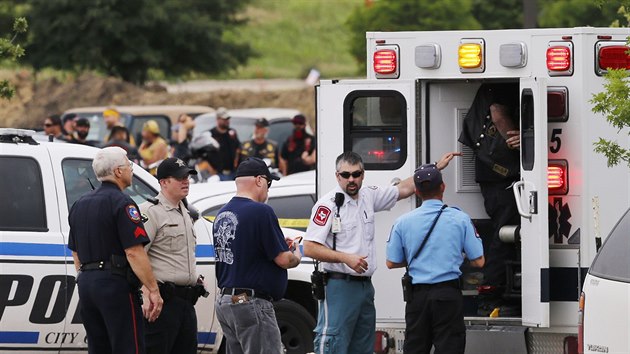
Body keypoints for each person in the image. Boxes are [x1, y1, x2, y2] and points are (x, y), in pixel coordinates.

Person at [303, 151, 458, 354]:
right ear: (337, 176)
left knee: (364, 346)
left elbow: (403, 188)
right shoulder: (328, 205)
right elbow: (310, 247)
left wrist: (435, 168)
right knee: (333, 344)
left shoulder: (369, 195)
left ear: (363, 174)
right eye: (346, 175)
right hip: (339, 286)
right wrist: (345, 258)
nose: (351, 179)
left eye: (356, 174)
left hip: (365, 288)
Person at [67, 147, 163, 354]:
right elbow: (134, 252)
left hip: (86, 284)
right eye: (128, 165)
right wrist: (153, 289)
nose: (131, 169)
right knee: (128, 347)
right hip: (115, 284)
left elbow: (75, 253)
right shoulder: (123, 203)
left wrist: (89, 277)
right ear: (118, 172)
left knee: (99, 347)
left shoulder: (79, 204)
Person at [386, 164, 485, 354]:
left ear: (416, 191)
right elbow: (479, 261)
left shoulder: (402, 222)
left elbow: (391, 262)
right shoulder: (461, 219)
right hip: (448, 295)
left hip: (417, 298)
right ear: (443, 187)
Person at [213, 157, 302, 353]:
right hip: (251, 303)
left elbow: (247, 250)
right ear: (260, 180)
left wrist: (278, 244)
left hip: (227, 303)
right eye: (268, 184)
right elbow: (284, 260)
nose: (268, 190)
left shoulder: (222, 214)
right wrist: (297, 252)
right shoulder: (261, 211)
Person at [457, 83, 521, 315]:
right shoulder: (501, 84)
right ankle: (491, 294)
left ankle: (495, 290)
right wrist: (521, 142)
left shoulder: (492, 85)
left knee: (503, 230)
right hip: (500, 176)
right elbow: (498, 114)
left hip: (493, 173)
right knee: (504, 233)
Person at [139, 157, 203, 354]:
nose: (186, 181)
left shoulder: (185, 212)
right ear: (163, 182)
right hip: (162, 302)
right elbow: (137, 256)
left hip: (186, 301)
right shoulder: (150, 212)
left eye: (187, 177)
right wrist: (147, 293)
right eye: (180, 178)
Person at [210, 107, 241, 180]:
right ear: (218, 119)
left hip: (233, 172)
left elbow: (238, 150)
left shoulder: (232, 133)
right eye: (224, 119)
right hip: (217, 174)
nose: (227, 121)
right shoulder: (211, 135)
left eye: (228, 119)